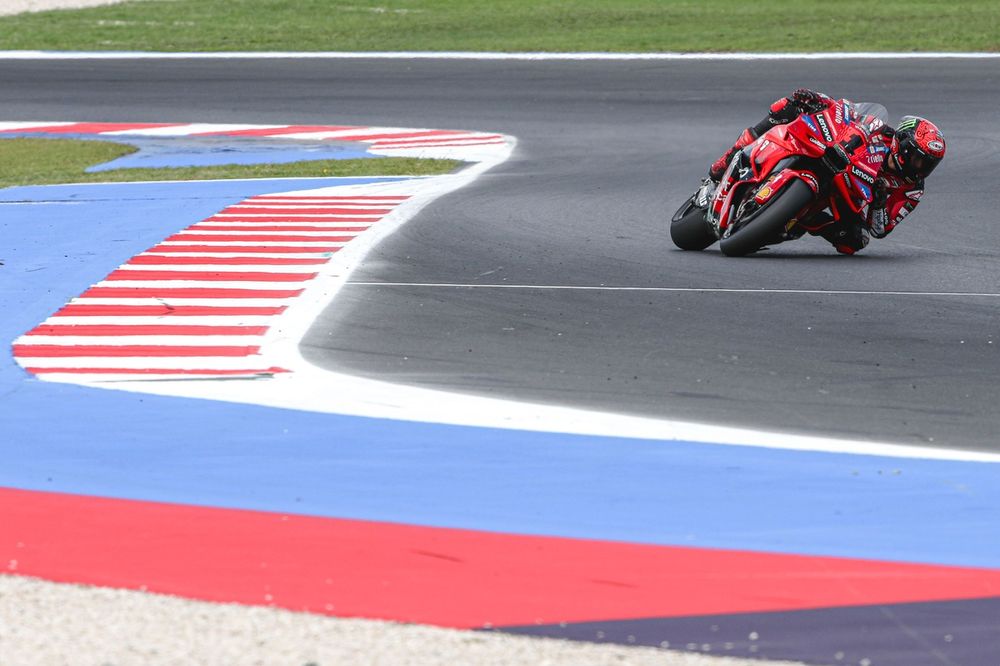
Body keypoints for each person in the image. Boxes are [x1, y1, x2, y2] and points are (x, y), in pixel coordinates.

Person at [708, 88, 946, 254]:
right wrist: (816, 99)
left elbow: (880, 229)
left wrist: (880, 201)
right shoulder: (881, 132)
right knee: (787, 107)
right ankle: (729, 158)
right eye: (919, 160)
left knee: (855, 242)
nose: (922, 168)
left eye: (929, 164)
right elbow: (845, 110)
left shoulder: (913, 191)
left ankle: (793, 221)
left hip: (848, 197)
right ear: (902, 145)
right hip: (834, 157)